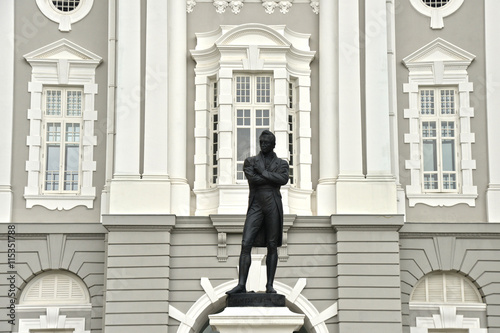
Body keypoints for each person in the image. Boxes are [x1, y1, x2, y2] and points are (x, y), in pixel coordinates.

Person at [226, 130, 289, 294]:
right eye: (261, 142)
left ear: (273, 145)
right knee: (246, 242)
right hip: (256, 204)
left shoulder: (282, 163)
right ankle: (241, 284)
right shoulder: (250, 161)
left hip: (273, 204)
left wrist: (263, 173)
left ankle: (269, 285)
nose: (263, 145)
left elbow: (283, 179)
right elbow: (253, 179)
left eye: (267, 143)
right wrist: (270, 177)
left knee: (272, 245)